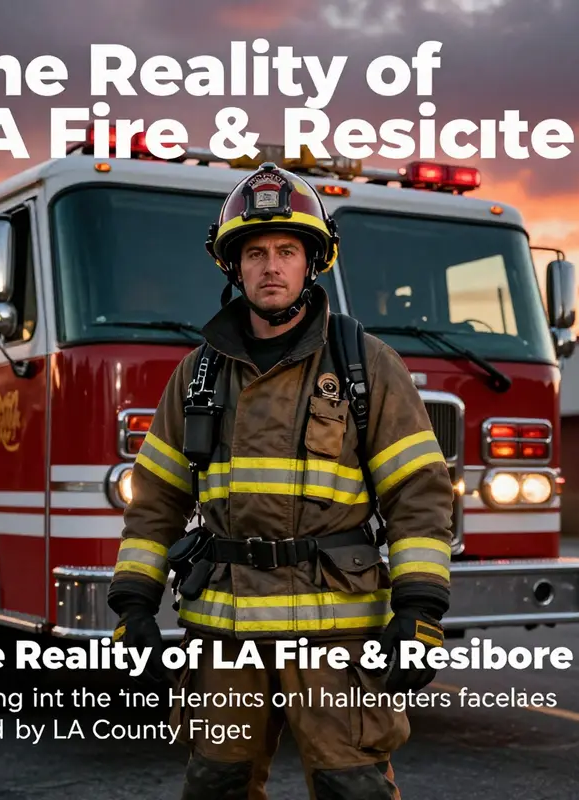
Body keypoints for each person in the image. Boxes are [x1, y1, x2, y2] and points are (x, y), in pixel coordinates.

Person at [107, 162, 454, 800]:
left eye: (287, 250)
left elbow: (419, 497)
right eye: (256, 252)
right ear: (233, 267)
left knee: (354, 787)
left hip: (336, 634)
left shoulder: (366, 365)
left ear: (311, 262)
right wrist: (132, 605)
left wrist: (420, 611)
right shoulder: (196, 377)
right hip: (225, 634)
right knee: (217, 784)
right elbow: (153, 501)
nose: (271, 266)